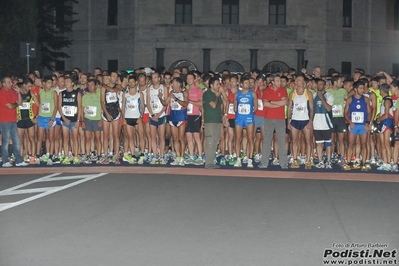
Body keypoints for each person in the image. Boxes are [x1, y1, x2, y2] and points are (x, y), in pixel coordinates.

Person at [259, 74, 288, 169]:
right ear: (272, 82)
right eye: (277, 81)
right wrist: (277, 103)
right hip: (268, 118)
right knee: (267, 140)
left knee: (281, 140)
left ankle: (283, 162)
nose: (279, 82)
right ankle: (264, 162)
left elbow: (285, 102)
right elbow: (265, 104)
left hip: (280, 118)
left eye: (280, 81)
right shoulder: (267, 90)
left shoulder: (283, 90)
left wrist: (271, 102)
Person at [342, 81, 371, 171]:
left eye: (363, 88)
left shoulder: (366, 99)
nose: (362, 90)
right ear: (355, 89)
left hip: (362, 125)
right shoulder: (350, 99)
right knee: (350, 144)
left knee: (364, 144)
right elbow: (345, 113)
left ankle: (364, 162)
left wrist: (367, 122)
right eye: (361, 88)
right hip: (354, 125)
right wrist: (349, 121)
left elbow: (369, 112)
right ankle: (348, 162)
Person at [0, 76, 28, 167]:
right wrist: (16, 104)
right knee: (5, 141)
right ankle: (5, 161)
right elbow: (10, 106)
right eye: (8, 82)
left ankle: (19, 160)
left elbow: (20, 103)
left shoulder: (13, 91)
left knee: (16, 140)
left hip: (13, 120)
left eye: (11, 82)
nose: (11, 84)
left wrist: (19, 93)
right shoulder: (1, 93)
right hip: (5, 120)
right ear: (3, 84)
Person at [160, 77, 188, 166]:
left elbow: (186, 104)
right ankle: (178, 156)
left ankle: (182, 157)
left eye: (174, 83)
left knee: (181, 138)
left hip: (181, 116)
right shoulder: (171, 92)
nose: (172, 85)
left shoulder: (184, 92)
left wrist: (176, 99)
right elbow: (165, 103)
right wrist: (160, 98)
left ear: (179, 84)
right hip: (173, 117)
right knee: (175, 138)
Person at [287, 75, 314, 169]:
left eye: (302, 80)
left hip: (305, 120)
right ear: (295, 82)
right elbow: (289, 108)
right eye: (299, 80)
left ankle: (308, 160)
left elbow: (311, 108)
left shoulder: (308, 93)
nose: (301, 82)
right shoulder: (292, 94)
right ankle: (294, 159)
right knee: (294, 140)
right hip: (295, 120)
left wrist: (310, 121)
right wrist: (288, 121)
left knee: (308, 141)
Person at [233, 76, 257, 168]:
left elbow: (256, 108)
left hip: (249, 118)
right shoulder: (237, 94)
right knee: (238, 139)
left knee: (250, 139)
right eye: (246, 83)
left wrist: (249, 114)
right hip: (239, 118)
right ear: (241, 84)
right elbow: (235, 108)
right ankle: (238, 159)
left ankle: (250, 159)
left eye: (249, 83)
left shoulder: (253, 94)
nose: (248, 84)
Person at [202, 77, 226, 168]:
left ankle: (211, 161)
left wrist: (223, 116)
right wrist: (217, 95)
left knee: (215, 141)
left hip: (217, 121)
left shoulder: (217, 94)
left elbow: (220, 107)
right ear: (211, 85)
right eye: (216, 84)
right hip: (210, 121)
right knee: (210, 141)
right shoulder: (207, 94)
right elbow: (213, 105)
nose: (218, 86)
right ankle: (208, 162)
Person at [16, 78, 39, 164]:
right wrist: (15, 115)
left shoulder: (31, 93)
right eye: (29, 86)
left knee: (32, 138)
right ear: (24, 85)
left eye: (31, 86)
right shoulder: (17, 93)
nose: (30, 88)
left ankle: (33, 157)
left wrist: (36, 116)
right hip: (20, 119)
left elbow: (38, 104)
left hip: (29, 119)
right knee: (20, 139)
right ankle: (22, 156)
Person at [312, 79, 334, 169]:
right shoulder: (313, 96)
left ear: (325, 86)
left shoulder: (329, 96)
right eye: (319, 84)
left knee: (328, 143)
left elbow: (329, 108)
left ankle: (328, 161)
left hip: (326, 122)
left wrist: (322, 98)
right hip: (316, 122)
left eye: (322, 84)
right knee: (319, 143)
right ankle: (320, 161)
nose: (320, 86)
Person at [81, 79, 103, 164]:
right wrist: (82, 121)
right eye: (89, 85)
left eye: (92, 85)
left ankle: (99, 156)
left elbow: (103, 107)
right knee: (88, 139)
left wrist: (101, 119)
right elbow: (82, 109)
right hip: (87, 119)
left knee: (98, 138)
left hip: (97, 119)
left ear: (95, 86)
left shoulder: (99, 94)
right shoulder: (85, 96)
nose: (90, 87)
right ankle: (88, 156)